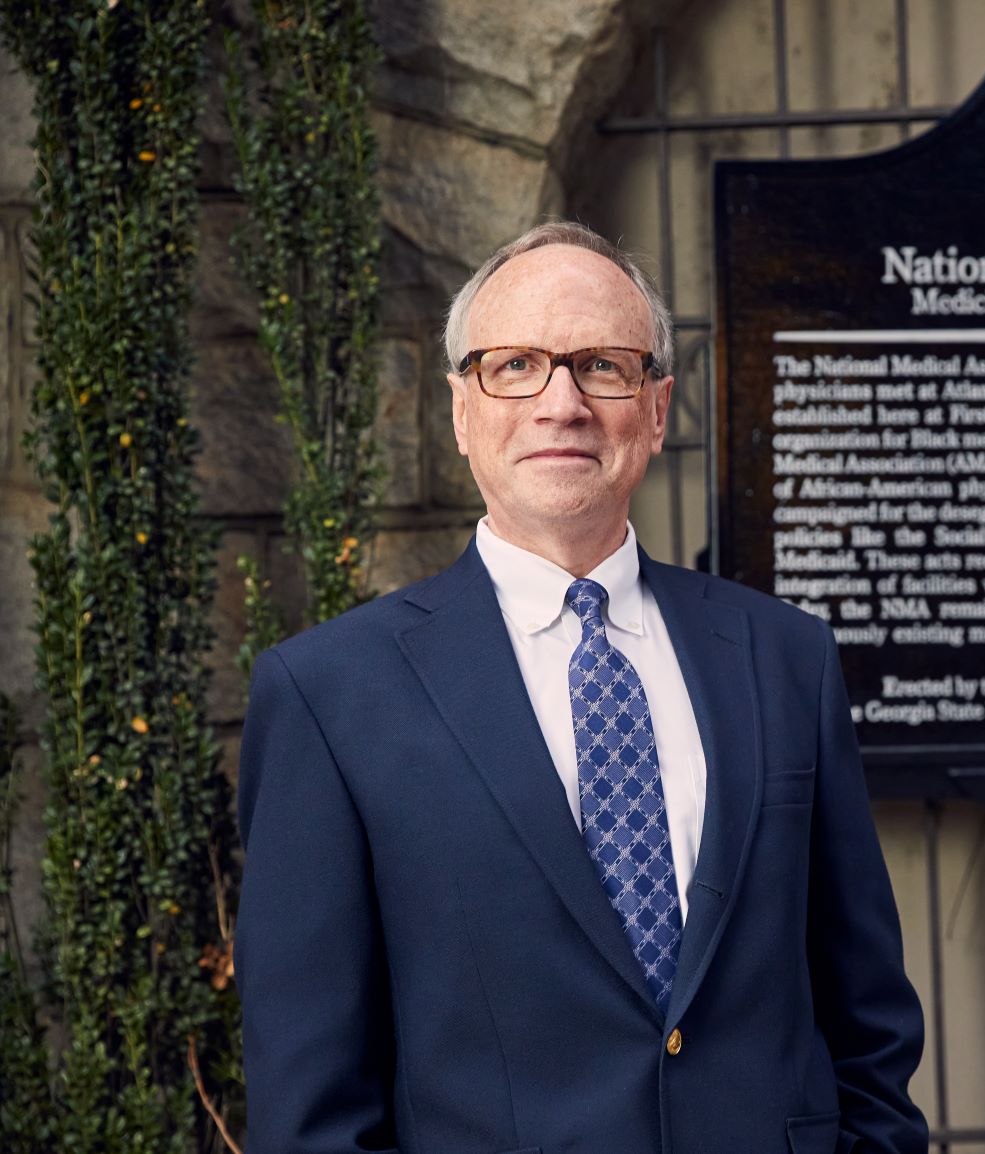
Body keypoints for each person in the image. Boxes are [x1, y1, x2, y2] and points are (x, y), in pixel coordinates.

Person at [235, 220, 928, 1154]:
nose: (561, 403)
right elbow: (311, 1104)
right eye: (515, 365)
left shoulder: (784, 657)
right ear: (460, 409)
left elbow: (868, 1020)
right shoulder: (329, 694)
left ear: (656, 406)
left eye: (602, 365)